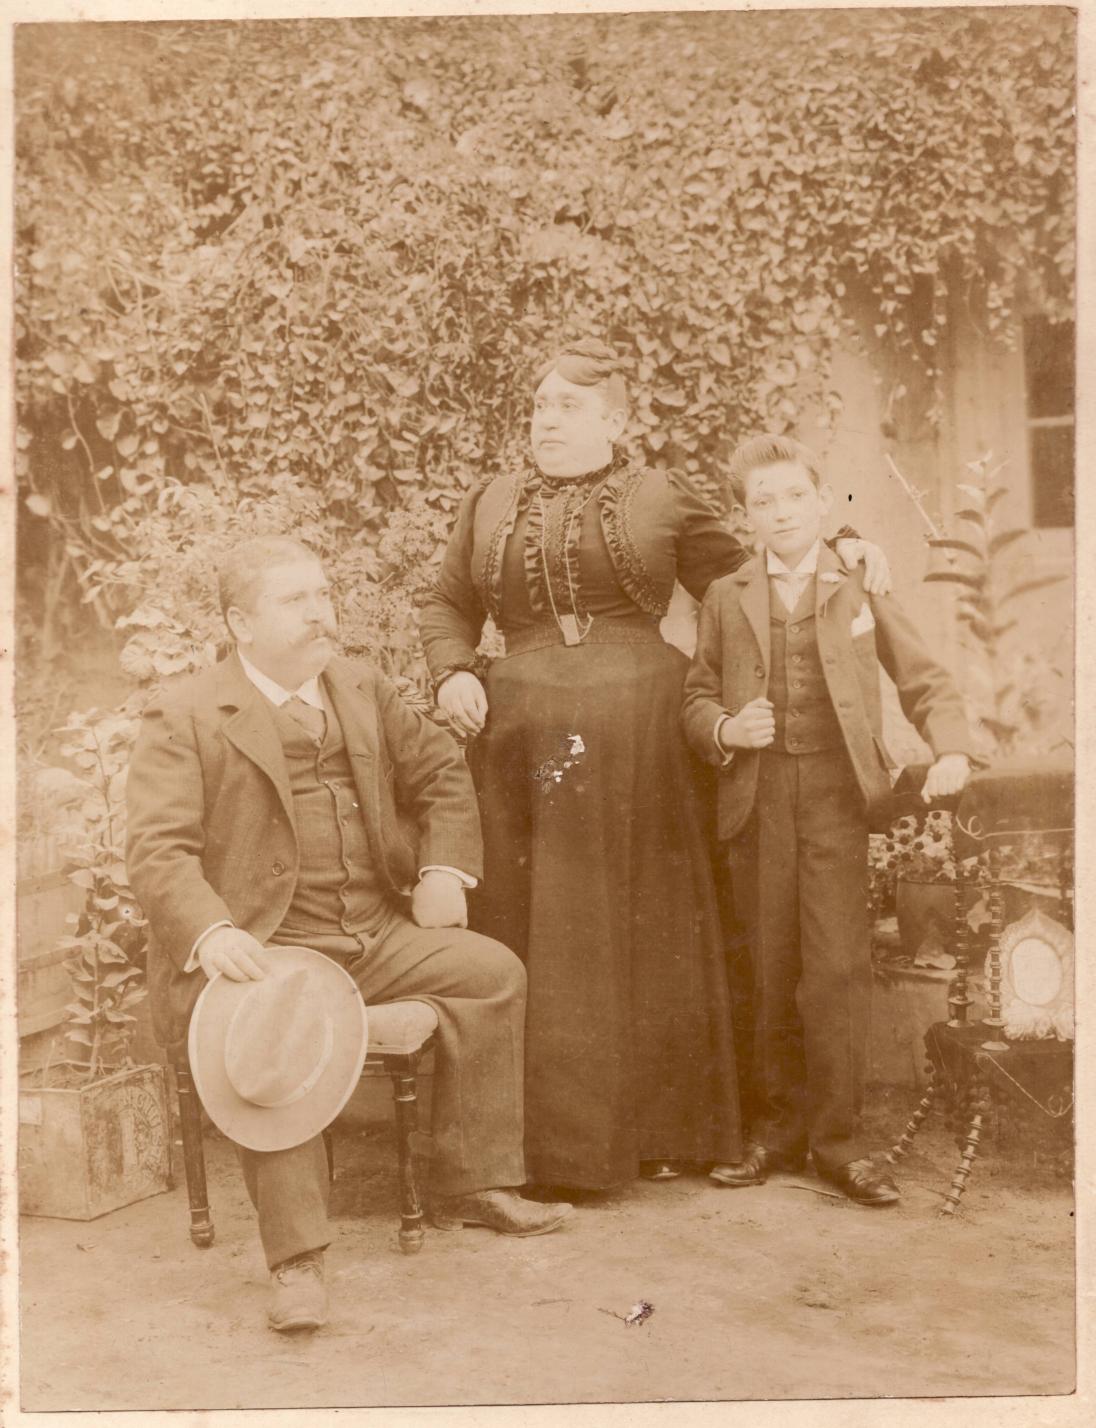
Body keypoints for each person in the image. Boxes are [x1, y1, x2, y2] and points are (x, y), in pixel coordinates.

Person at [418, 340, 891, 1192]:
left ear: (615, 421)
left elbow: (757, 575)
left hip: (646, 744)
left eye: (568, 406)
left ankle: (664, 1132)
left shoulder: (662, 496)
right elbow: (447, 601)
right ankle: (535, 1146)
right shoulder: (488, 501)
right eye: (540, 405)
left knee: (651, 928)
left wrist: (848, 543)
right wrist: (453, 669)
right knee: (542, 926)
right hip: (528, 748)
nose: (547, 420)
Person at [126, 536, 570, 1335]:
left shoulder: (361, 686)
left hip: (373, 931)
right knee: (277, 1030)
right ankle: (298, 1261)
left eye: (324, 595)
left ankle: (475, 1182)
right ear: (240, 623)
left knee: (490, 972)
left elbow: (440, 772)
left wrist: (444, 869)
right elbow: (158, 850)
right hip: (265, 948)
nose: (320, 614)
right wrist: (211, 930)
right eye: (295, 601)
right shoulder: (185, 713)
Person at [681, 434, 975, 1206]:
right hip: (758, 801)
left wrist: (951, 748)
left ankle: (839, 1143)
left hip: (837, 799)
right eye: (763, 502)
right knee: (769, 964)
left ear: (820, 502)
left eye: (794, 497)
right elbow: (696, 697)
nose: (781, 513)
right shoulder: (726, 596)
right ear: (746, 518)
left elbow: (924, 677)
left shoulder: (859, 581)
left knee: (838, 968)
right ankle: (775, 1132)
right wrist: (725, 727)